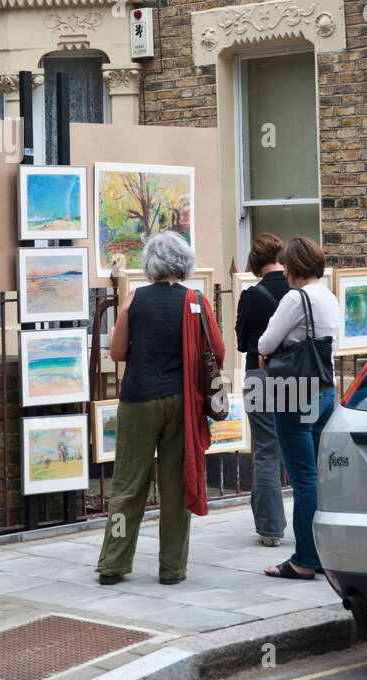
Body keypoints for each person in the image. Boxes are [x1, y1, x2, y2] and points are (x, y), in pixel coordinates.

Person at [96, 231, 225, 587]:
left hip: (138, 399)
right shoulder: (196, 300)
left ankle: (113, 563)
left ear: (149, 264)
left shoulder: (134, 300)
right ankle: (171, 568)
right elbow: (218, 351)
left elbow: (118, 353)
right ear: (184, 264)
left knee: (127, 485)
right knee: (176, 484)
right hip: (182, 401)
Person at [257, 236, 339, 581]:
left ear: (294, 267)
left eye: (287, 265)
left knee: (303, 478)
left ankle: (304, 559)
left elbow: (265, 342)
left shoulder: (296, 297)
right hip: (324, 391)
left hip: (294, 391)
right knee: (319, 478)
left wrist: (265, 353)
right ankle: (321, 554)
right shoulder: (329, 296)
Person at [235, 232, 289, 547]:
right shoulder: (299, 290)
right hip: (296, 377)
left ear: (255, 264)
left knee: (266, 451)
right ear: (281, 257)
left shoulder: (251, 295)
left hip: (259, 375)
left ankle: (270, 530)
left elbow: (244, 344)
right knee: (301, 451)